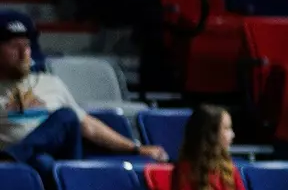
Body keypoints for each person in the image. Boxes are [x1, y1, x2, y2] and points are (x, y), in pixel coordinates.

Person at [0, 14, 166, 170]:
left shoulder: (50, 83)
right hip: (24, 169)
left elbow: (89, 126)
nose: (23, 53)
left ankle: (13, 156)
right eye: (14, 46)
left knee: (66, 116)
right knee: (42, 161)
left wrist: (136, 148)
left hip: (62, 160)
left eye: (26, 46)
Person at [170, 105, 257, 190]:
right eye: (226, 129)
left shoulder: (230, 167)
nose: (232, 135)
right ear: (210, 134)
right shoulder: (186, 170)